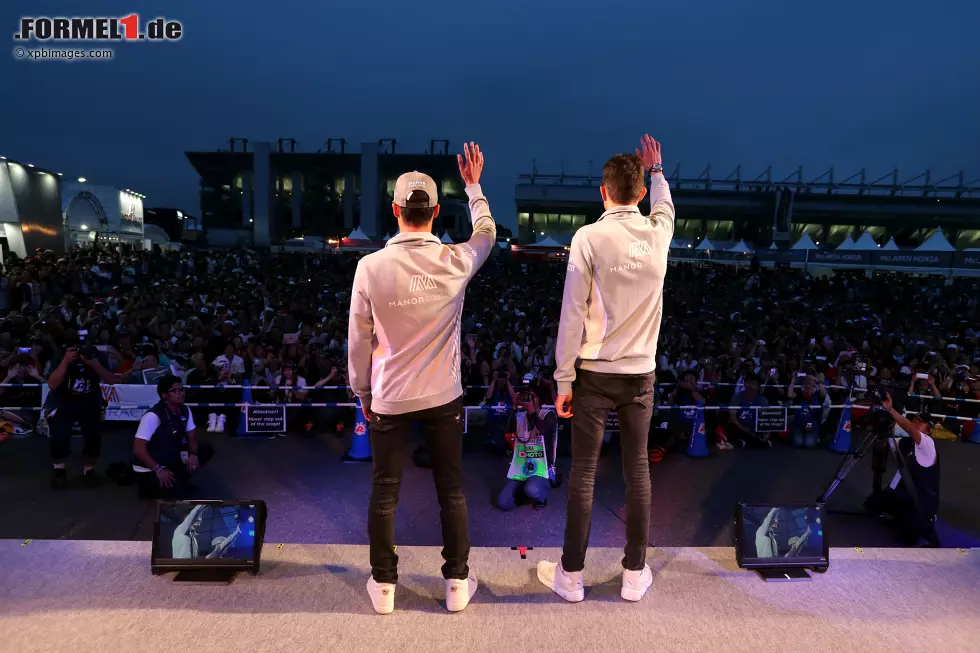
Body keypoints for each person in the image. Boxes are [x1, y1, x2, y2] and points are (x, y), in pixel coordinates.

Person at [348, 143, 496, 614]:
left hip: (389, 397)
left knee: (384, 490)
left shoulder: (369, 267)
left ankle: (385, 587)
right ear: (435, 211)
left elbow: (358, 342)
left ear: (395, 210)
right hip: (443, 397)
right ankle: (456, 584)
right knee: (451, 490)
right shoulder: (455, 261)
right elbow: (487, 232)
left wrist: (362, 390)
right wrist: (473, 185)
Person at [539, 134, 674, 604]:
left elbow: (571, 314)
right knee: (638, 472)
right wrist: (657, 170)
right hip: (640, 375)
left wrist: (563, 378)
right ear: (638, 193)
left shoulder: (589, 238)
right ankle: (634, 574)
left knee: (584, 475)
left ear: (603, 191)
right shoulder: (658, 235)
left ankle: (571, 576)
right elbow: (666, 208)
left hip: (594, 372)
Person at [868, 394, 941, 546]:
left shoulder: (927, 443)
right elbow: (887, 443)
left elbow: (907, 427)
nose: (914, 424)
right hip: (903, 494)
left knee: (907, 537)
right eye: (914, 420)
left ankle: (926, 522)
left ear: (928, 430)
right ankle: (898, 513)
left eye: (919, 423)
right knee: (872, 503)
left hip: (921, 500)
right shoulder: (907, 442)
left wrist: (890, 410)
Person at [45, 340, 118, 489]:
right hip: (62, 400)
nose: (79, 352)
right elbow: (52, 385)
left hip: (89, 400)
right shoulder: (61, 356)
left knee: (93, 436)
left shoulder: (97, 356)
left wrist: (93, 363)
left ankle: (89, 470)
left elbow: (111, 380)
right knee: (59, 435)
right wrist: (66, 361)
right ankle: (59, 469)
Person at [131, 376, 214, 500]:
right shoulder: (153, 416)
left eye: (182, 390)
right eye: (175, 391)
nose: (180, 394)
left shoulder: (185, 409)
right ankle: (150, 487)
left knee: (205, 449)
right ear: (164, 395)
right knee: (178, 496)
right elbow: (138, 449)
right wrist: (158, 470)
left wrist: (193, 454)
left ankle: (178, 480)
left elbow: (192, 436)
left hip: (170, 457)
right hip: (151, 469)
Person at [497, 388, 558, 511]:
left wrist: (531, 412)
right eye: (526, 396)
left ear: (540, 399)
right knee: (503, 503)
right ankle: (526, 492)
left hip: (541, 468)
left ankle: (541, 496)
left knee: (532, 489)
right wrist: (514, 407)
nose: (529, 399)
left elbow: (545, 430)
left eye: (533, 396)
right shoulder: (520, 417)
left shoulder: (548, 414)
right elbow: (507, 431)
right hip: (521, 468)